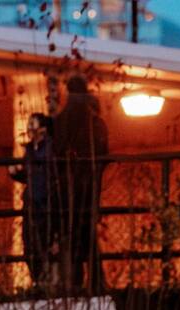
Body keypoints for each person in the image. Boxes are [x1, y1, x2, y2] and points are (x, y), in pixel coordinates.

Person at [53, 75, 110, 292]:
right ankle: (93, 280)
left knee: (74, 235)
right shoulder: (94, 123)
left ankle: (77, 281)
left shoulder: (65, 121)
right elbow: (102, 155)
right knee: (86, 235)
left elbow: (58, 153)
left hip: (70, 187)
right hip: (86, 186)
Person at [12, 112, 59, 289]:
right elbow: (30, 176)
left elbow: (44, 173)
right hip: (32, 201)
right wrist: (15, 172)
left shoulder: (49, 149)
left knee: (44, 241)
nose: (30, 128)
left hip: (45, 201)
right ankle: (37, 279)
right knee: (29, 243)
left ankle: (45, 279)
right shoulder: (30, 150)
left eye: (34, 124)